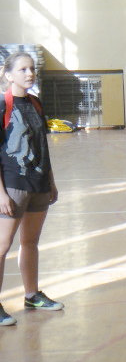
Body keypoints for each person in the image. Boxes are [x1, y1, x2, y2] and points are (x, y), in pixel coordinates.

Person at [0, 52, 63, 326]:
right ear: (8, 75)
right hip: (13, 186)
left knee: (30, 242)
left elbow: (42, 146)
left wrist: (50, 181)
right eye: (23, 69)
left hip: (38, 185)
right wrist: (1, 194)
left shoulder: (35, 103)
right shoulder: (3, 104)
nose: (30, 74)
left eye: (32, 69)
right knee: (2, 246)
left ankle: (32, 295)